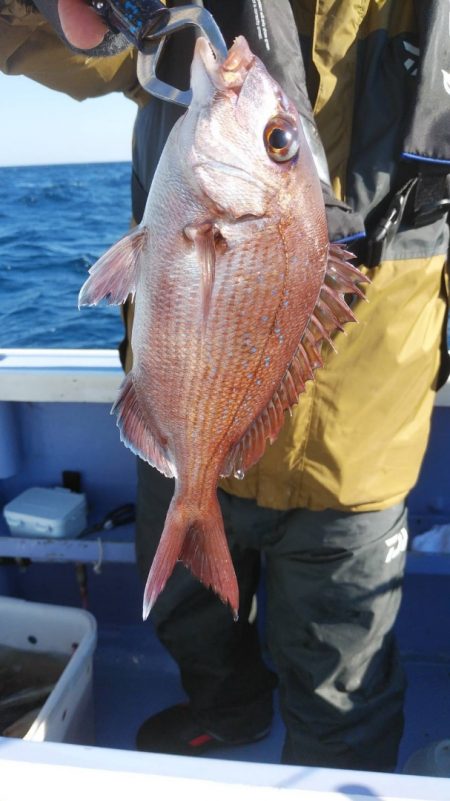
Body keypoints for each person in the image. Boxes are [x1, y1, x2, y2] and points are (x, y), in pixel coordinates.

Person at [2, 0, 449, 773]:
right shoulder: (195, 21)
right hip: (187, 407)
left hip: (360, 440)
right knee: (189, 613)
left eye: (277, 141)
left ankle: (330, 775)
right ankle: (227, 714)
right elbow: (54, 42)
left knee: (343, 672)